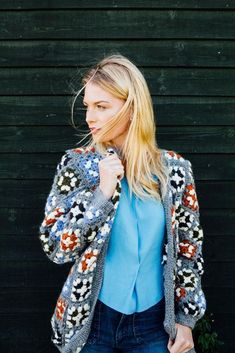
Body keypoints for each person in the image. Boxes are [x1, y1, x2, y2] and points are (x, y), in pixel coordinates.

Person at [39, 54, 206, 353]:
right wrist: (101, 194)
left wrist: (185, 319)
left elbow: (188, 249)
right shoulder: (77, 166)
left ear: (132, 108)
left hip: (155, 325)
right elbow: (56, 247)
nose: (90, 117)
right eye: (88, 106)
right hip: (92, 322)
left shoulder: (176, 171)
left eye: (102, 107)